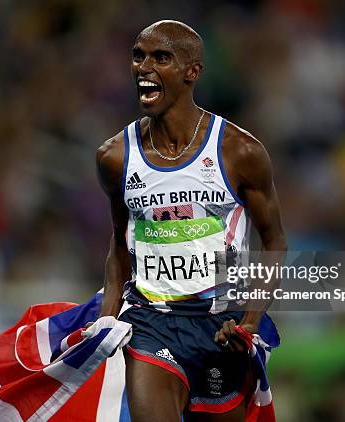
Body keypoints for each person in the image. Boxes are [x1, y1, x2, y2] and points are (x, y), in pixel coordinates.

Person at [95, 20, 286, 422]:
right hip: (151, 322)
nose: (143, 67)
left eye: (160, 57)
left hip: (222, 329)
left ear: (192, 71)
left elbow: (274, 243)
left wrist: (250, 322)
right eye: (138, 56)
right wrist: (107, 318)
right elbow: (119, 241)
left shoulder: (240, 152)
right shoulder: (114, 157)